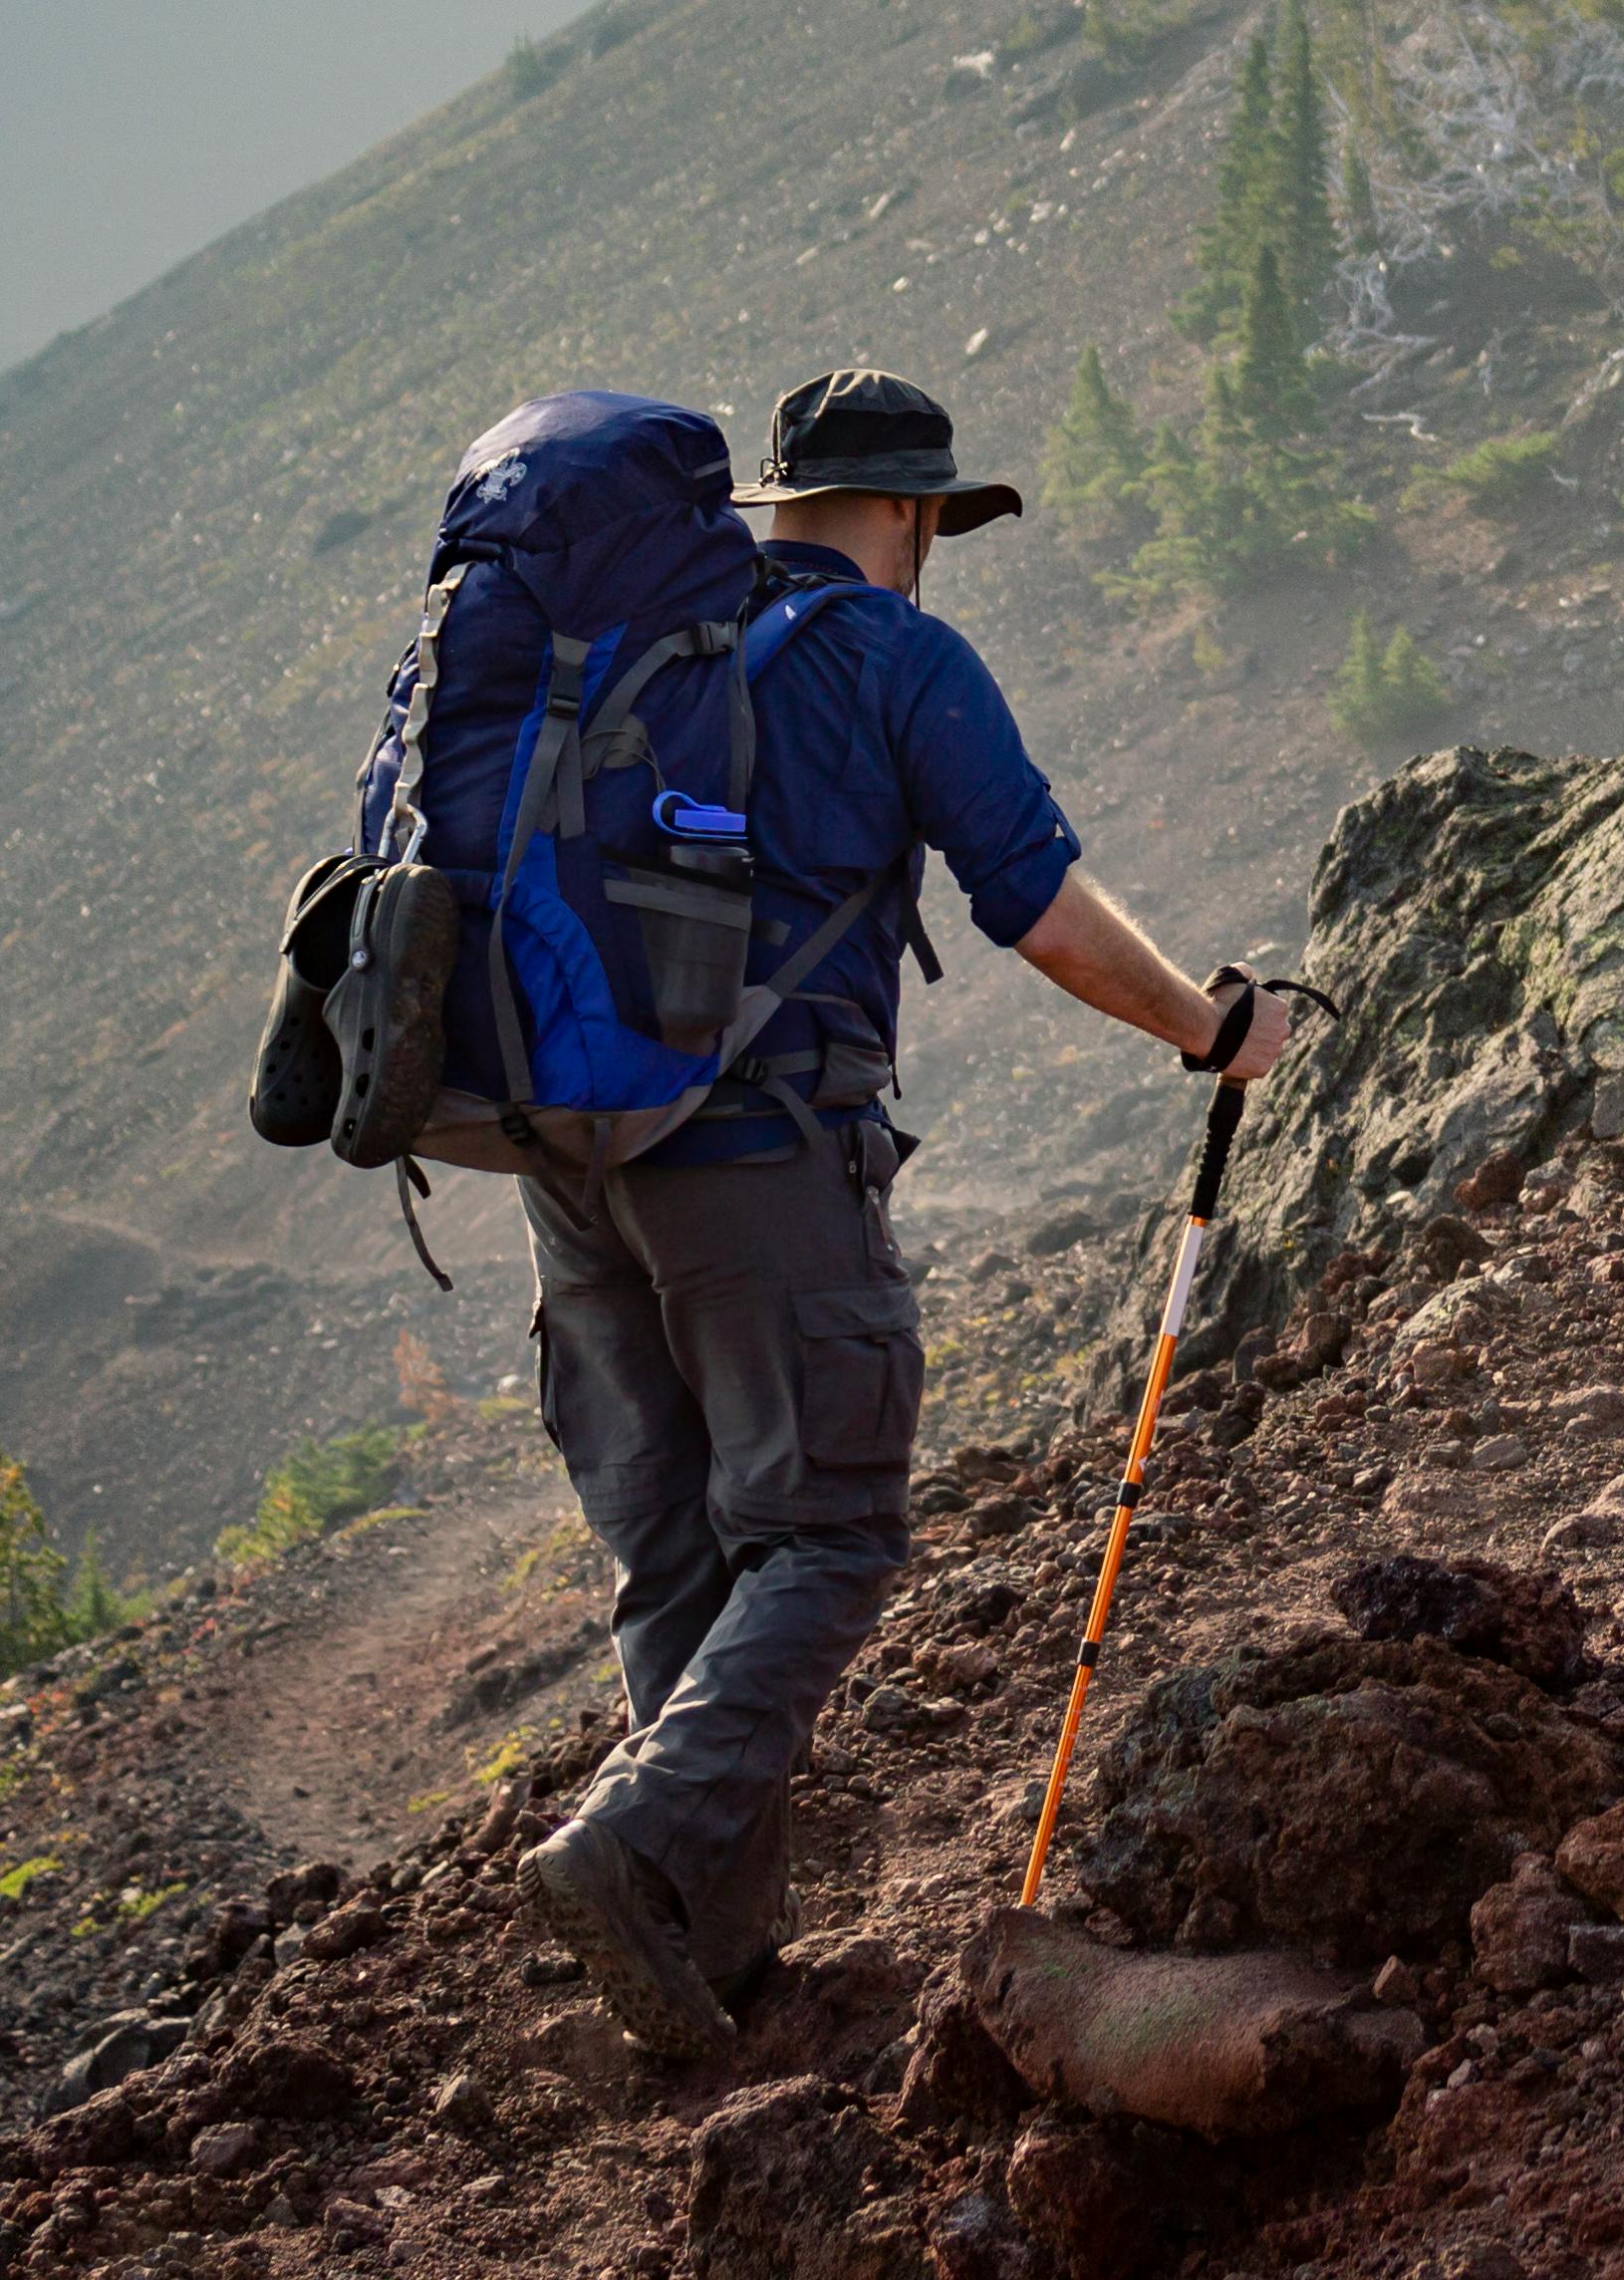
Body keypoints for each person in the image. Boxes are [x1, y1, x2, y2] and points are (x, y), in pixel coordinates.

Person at [517, 368, 1286, 2060]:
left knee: (682, 1555)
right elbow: (1040, 907)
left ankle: (704, 1974)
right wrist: (1212, 1028)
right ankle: (633, 1848)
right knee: (830, 1534)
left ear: (774, 502)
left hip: (568, 1160)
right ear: (922, 513)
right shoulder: (893, 657)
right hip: (762, 1154)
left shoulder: (635, 645)